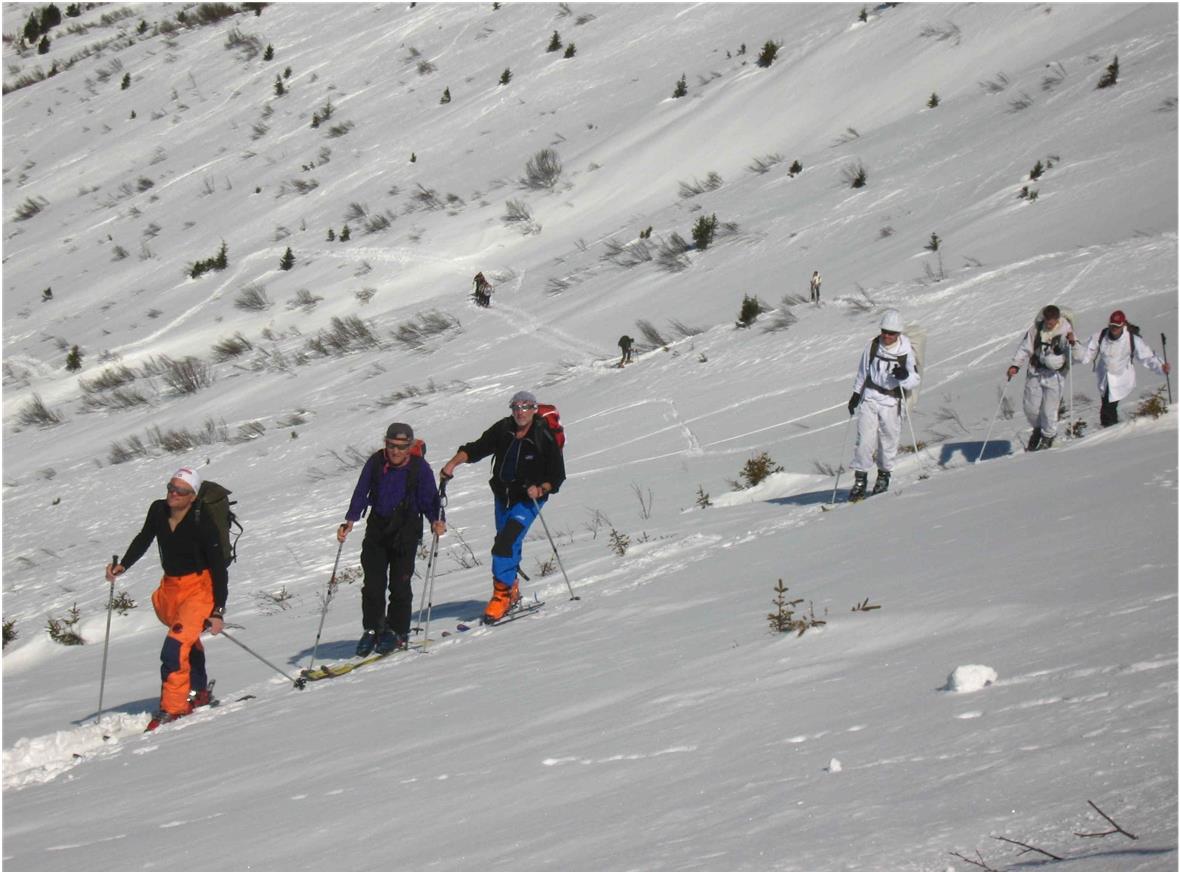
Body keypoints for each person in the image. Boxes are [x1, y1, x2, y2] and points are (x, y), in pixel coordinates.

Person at [106, 466, 227, 731]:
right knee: (187, 640)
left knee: (174, 646)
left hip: (200, 588)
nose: (173, 494)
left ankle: (173, 708)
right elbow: (144, 538)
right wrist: (123, 565)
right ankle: (197, 690)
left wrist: (217, 611)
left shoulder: (203, 522)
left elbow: (219, 568)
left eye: (180, 491)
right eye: (170, 487)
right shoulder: (158, 510)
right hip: (172, 588)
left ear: (192, 496)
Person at [440, 391, 566, 623]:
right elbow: (477, 448)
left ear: (534, 409)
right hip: (503, 496)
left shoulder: (543, 435)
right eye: (516, 407)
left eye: (526, 407)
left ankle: (502, 596)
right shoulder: (503, 429)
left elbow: (558, 475)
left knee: (504, 544)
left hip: (529, 500)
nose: (520, 412)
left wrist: (541, 489)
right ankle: (511, 588)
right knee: (508, 542)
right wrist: (452, 464)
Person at [338, 423, 446, 656]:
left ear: (409, 447)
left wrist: (437, 520)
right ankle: (373, 630)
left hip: (406, 533)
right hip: (377, 529)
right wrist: (350, 520)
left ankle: (397, 631)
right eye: (391, 446)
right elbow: (361, 491)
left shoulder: (420, 469)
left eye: (401, 447)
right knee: (373, 586)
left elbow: (431, 500)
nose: (395, 451)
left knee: (399, 584)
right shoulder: (376, 462)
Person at [846, 309, 921, 501]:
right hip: (870, 397)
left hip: (891, 400)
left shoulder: (905, 352)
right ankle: (860, 481)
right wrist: (856, 394)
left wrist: (904, 376)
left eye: (891, 333)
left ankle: (883, 476)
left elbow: (914, 379)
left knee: (888, 440)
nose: (886, 336)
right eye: (884, 331)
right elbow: (863, 372)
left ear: (898, 334)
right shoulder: (872, 346)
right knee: (864, 441)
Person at [1079, 309, 1170, 426]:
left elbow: (1147, 357)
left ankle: (1110, 432)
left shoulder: (1132, 339)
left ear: (1123, 325)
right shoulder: (1101, 336)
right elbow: (1086, 352)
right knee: (1107, 407)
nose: (1114, 328)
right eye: (1112, 325)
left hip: (1121, 378)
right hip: (1105, 378)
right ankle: (1112, 430)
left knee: (1107, 409)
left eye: (1117, 326)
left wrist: (1161, 367)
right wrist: (1074, 349)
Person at [1006, 304, 1076, 450]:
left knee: (1049, 408)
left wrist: (1071, 343)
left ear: (1057, 319)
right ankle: (1037, 429)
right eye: (1047, 320)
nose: (1049, 323)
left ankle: (1048, 437)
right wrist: (1015, 365)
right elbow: (1024, 348)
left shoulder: (1066, 330)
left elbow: (1073, 352)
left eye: (1051, 320)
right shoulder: (1036, 330)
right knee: (1030, 407)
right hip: (1036, 371)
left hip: (1055, 375)